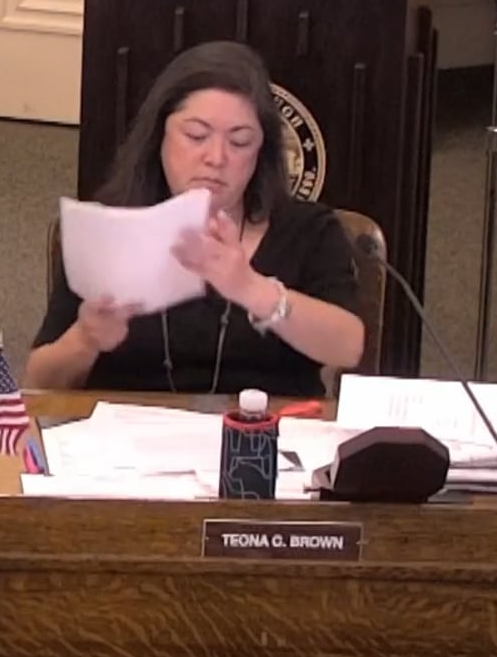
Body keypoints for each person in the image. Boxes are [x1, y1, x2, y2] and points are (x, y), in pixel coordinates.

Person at [27, 41, 366, 398]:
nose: (216, 158)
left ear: (261, 152)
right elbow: (39, 382)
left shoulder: (307, 230)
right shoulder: (109, 227)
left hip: (267, 428)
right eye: (196, 136)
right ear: (159, 135)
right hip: (132, 428)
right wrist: (85, 340)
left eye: (240, 142)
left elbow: (349, 348)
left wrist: (252, 289)